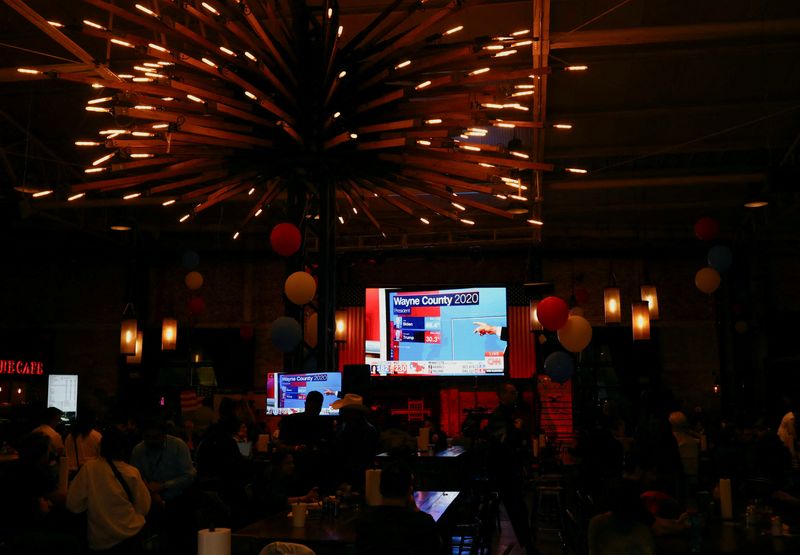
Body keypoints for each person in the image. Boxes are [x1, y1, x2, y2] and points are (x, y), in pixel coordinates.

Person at [66, 426, 151, 553]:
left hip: (100, 540)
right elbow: (143, 508)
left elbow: (73, 505)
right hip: (131, 535)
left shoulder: (89, 469)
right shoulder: (132, 472)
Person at [484, 382, 536, 554]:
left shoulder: (503, 415)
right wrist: (518, 432)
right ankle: (528, 545)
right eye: (512, 392)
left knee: (515, 509)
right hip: (505, 472)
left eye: (516, 392)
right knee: (517, 508)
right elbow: (505, 445)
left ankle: (526, 545)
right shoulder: (501, 416)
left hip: (505, 470)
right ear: (502, 395)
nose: (516, 395)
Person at [355, 459, 442, 555]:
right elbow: (436, 547)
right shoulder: (423, 523)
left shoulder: (366, 522)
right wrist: (416, 511)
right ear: (410, 490)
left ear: (380, 489)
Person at [130, 417, 195, 508]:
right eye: (147, 437)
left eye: (156, 437)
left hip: (178, 499)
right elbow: (135, 478)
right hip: (150, 499)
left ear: (164, 435)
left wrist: (163, 486)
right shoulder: (138, 450)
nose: (151, 441)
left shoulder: (178, 445)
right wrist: (150, 491)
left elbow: (189, 475)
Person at [65, 410, 102, 475]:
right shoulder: (97, 436)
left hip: (73, 473)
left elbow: (67, 454)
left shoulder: (70, 437)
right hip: (91, 472)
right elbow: (100, 457)